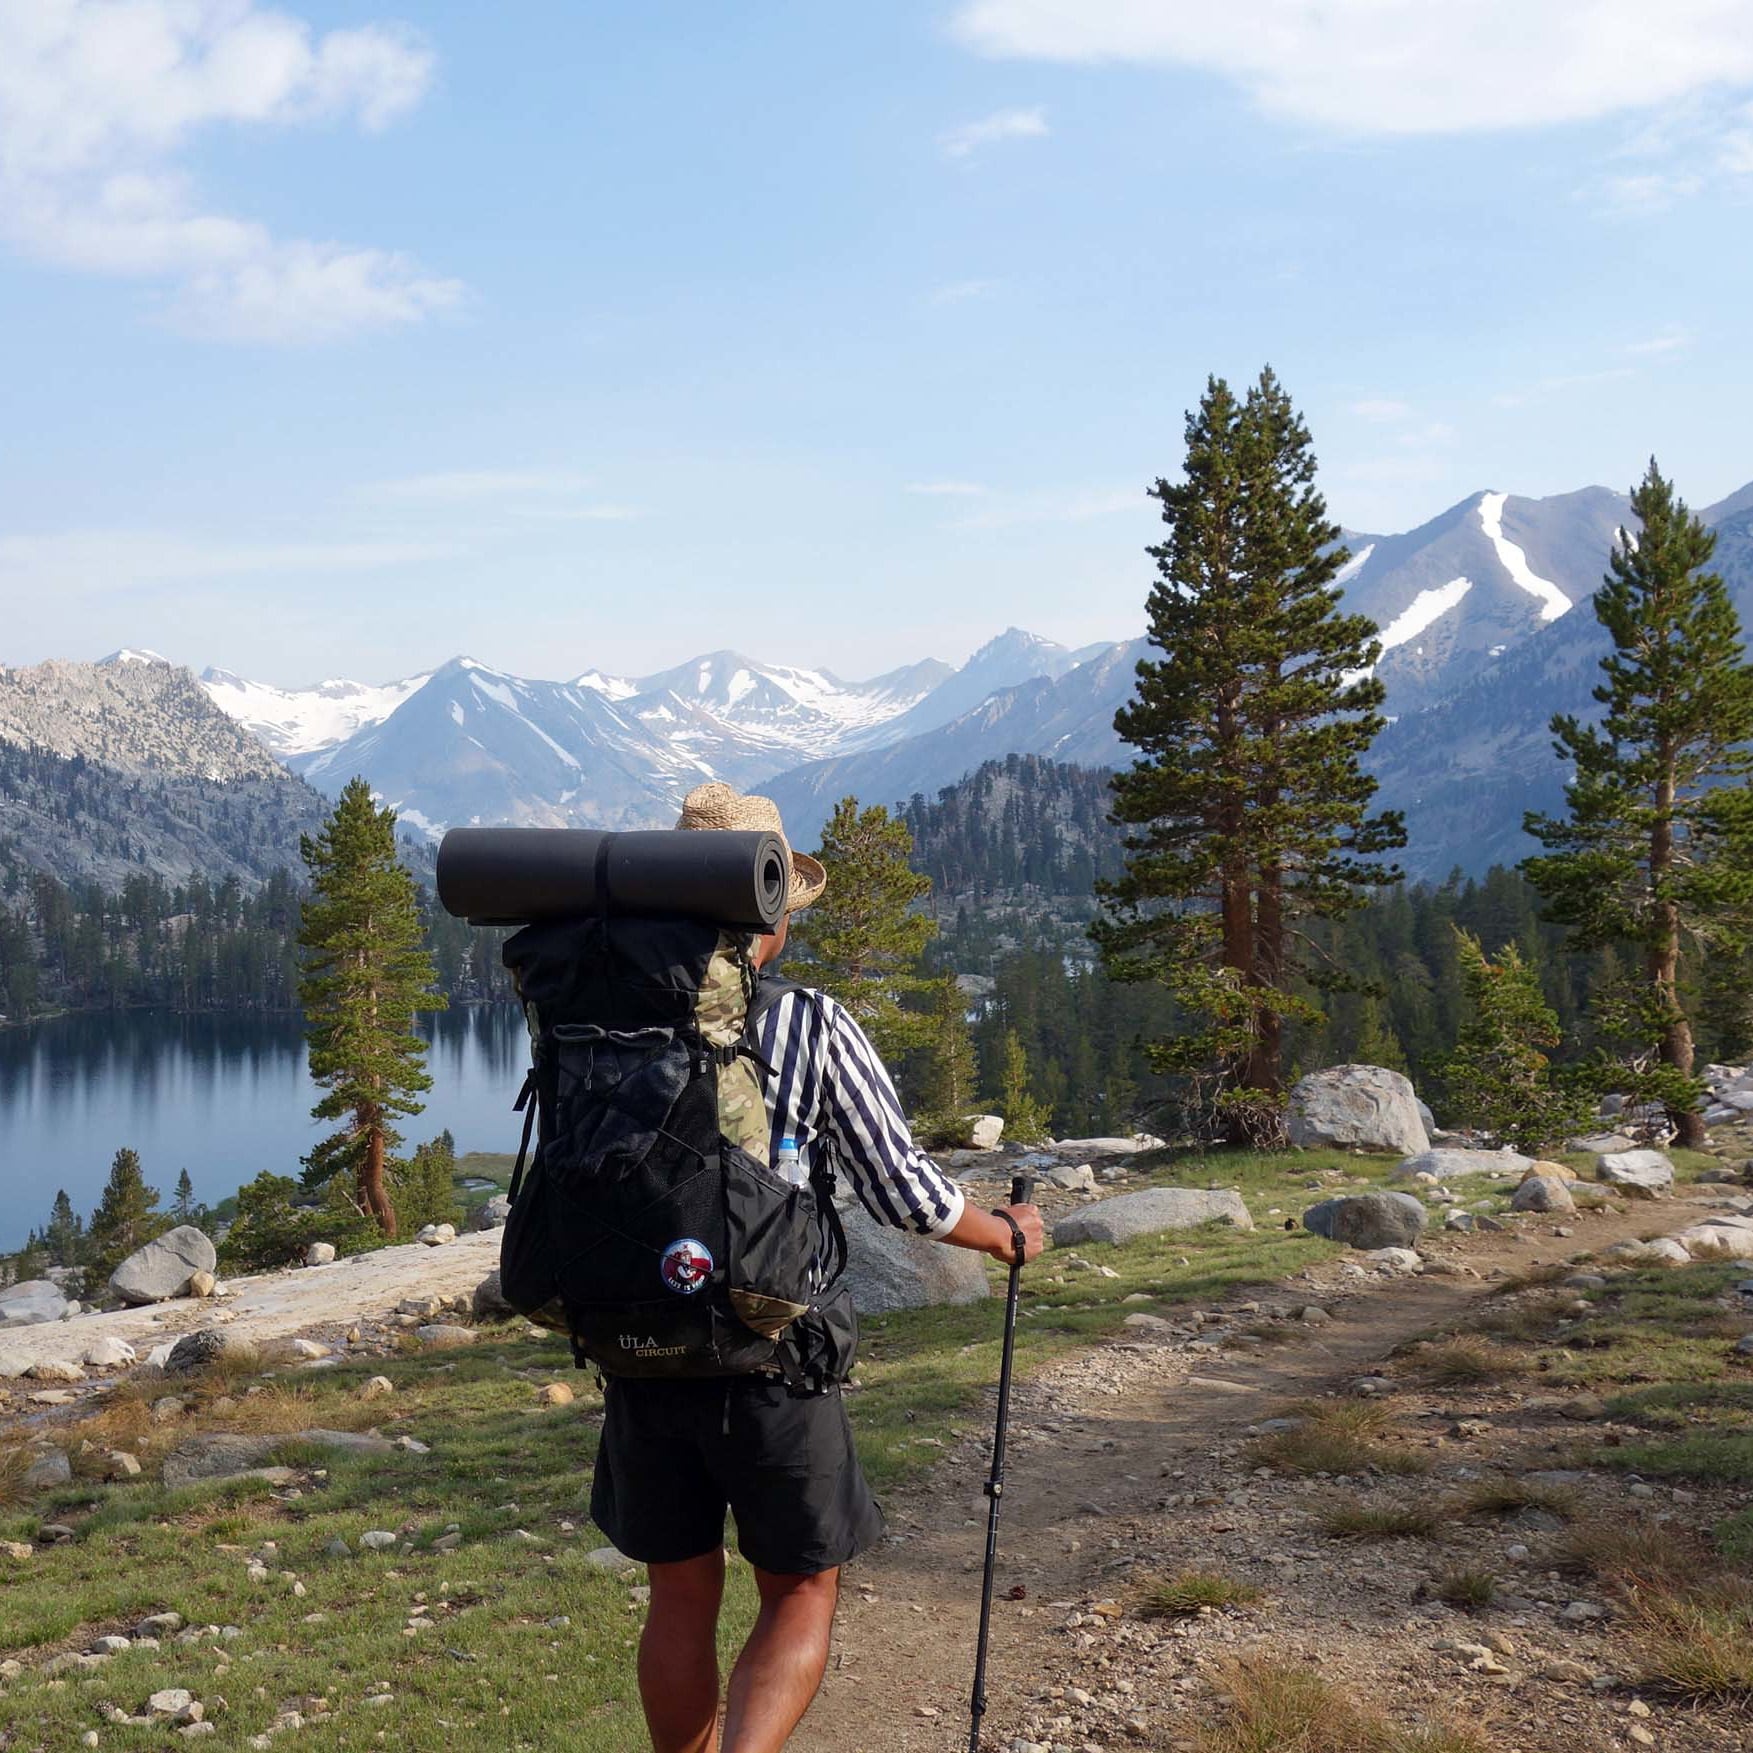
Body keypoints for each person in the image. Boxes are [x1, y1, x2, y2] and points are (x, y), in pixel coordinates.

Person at [588, 781, 1046, 1753]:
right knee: (798, 1588)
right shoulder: (808, 1022)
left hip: (637, 1342)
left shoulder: (600, 1019)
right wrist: (1003, 1234)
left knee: (679, 1592)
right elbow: (905, 1194)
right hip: (771, 1351)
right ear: (771, 913)